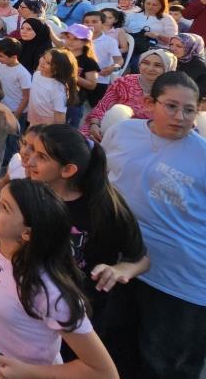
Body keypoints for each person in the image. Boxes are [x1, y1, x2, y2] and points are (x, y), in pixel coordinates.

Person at [0, 180, 118, 379]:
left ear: (27, 233)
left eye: (4, 206)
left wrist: (27, 372)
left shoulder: (51, 293)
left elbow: (104, 372)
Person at [103, 72, 206, 379]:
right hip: (122, 265)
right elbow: (103, 179)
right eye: (171, 106)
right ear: (149, 103)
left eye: (189, 110)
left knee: (166, 367)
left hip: (180, 281)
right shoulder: (123, 132)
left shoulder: (202, 155)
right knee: (117, 353)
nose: (180, 117)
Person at [18, 125, 149, 366]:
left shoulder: (106, 209)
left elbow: (140, 258)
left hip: (80, 314)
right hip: (32, 304)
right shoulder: (31, 194)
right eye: (31, 149)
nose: (29, 159)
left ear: (68, 170)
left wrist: (120, 269)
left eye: (41, 157)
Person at [83, 49, 176, 140]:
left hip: (148, 139)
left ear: (168, 68)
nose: (150, 68)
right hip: (110, 131)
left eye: (158, 65)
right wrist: (94, 124)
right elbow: (102, 107)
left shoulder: (172, 93)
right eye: (146, 63)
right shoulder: (124, 82)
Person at [28, 48, 78, 127]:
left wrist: (53, 132)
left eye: (48, 63)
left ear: (57, 70)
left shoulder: (58, 89)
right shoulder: (37, 74)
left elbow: (60, 118)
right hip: (33, 123)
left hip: (47, 129)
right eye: (44, 57)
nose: (42, 62)